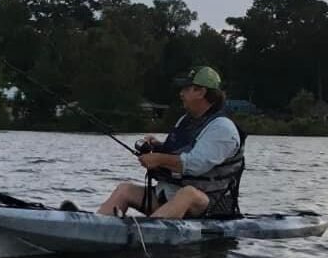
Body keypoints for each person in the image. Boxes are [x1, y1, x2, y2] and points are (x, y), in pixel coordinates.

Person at [97, 66, 245, 219]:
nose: (181, 94)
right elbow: (178, 152)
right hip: (170, 196)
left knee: (187, 193)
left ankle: (150, 233)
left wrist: (158, 159)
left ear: (201, 92)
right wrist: (157, 147)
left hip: (211, 206)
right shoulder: (185, 121)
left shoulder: (222, 128)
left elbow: (195, 164)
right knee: (125, 189)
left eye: (187, 89)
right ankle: (97, 227)